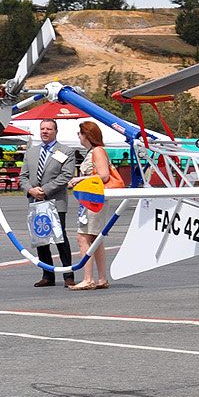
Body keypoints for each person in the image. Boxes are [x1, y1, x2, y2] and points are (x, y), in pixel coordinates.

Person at [19, 118, 77, 287]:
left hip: (55, 200)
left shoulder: (66, 151)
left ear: (55, 131)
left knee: (60, 238)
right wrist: (30, 190)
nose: (45, 131)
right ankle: (47, 275)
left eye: (49, 129)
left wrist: (45, 190)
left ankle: (68, 275)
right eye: (43, 129)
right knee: (41, 238)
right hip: (35, 201)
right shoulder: (31, 151)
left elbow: (66, 175)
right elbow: (23, 176)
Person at [70, 121, 113, 290]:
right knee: (96, 237)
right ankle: (101, 278)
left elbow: (103, 175)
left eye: (80, 133)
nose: (79, 137)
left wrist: (79, 179)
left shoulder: (97, 151)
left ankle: (88, 279)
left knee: (84, 237)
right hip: (91, 198)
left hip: (95, 198)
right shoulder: (92, 152)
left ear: (86, 135)